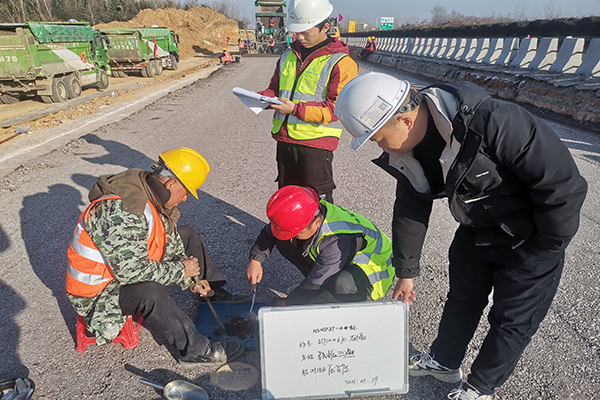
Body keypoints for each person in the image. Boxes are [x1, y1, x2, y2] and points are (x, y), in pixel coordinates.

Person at [334, 72, 587, 398]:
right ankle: (444, 362)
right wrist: (406, 272)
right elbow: (411, 207)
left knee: (511, 321)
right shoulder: (409, 151)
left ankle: (480, 387)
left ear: (405, 121)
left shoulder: (494, 121)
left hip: (530, 238)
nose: (380, 146)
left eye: (378, 138)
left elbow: (562, 185)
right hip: (476, 228)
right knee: (461, 301)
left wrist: (547, 246)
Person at [66, 147, 248, 366]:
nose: (185, 199)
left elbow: (168, 240)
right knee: (151, 292)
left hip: (120, 271)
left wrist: (191, 280)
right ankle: (195, 350)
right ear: (170, 184)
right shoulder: (123, 210)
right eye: (186, 192)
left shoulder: (147, 189)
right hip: (99, 294)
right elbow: (131, 272)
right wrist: (181, 270)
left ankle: (211, 292)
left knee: (186, 235)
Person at [256, 0, 358, 203]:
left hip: (316, 145)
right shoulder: (288, 55)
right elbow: (276, 89)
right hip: (285, 140)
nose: (300, 37)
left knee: (317, 202)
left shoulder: (341, 63)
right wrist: (260, 98)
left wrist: (294, 109)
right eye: (296, 32)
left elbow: (337, 109)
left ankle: (322, 226)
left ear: (325, 27)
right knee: (287, 198)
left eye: (305, 32)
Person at [245, 186, 395, 305]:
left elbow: (319, 280)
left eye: (297, 232)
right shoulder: (308, 210)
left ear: (317, 223)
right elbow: (270, 232)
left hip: (376, 269)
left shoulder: (337, 240)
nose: (293, 236)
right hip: (341, 258)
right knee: (284, 240)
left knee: (341, 284)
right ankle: (319, 292)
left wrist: (289, 303)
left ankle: (353, 302)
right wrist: (255, 260)